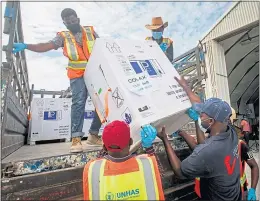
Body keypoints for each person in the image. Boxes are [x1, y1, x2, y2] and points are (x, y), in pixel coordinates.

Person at [12, 8, 102, 152]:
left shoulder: (90, 31)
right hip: (77, 75)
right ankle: (76, 139)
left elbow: (102, 47)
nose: (71, 23)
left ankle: (93, 135)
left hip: (94, 73)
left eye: (73, 20)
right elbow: (46, 46)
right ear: (64, 23)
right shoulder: (63, 36)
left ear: (77, 19)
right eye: (68, 22)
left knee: (101, 103)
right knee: (79, 103)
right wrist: (26, 46)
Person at [157, 76, 242, 200]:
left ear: (211, 121)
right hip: (233, 195)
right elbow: (199, 105)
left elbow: (180, 172)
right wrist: (186, 88)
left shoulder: (210, 150)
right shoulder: (230, 132)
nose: (200, 117)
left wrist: (164, 139)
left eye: (202, 115)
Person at [83, 120, 165, 200]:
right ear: (131, 142)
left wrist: (107, 144)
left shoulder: (93, 169)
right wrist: (148, 146)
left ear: (104, 147)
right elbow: (159, 175)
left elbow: (100, 159)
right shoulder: (146, 164)